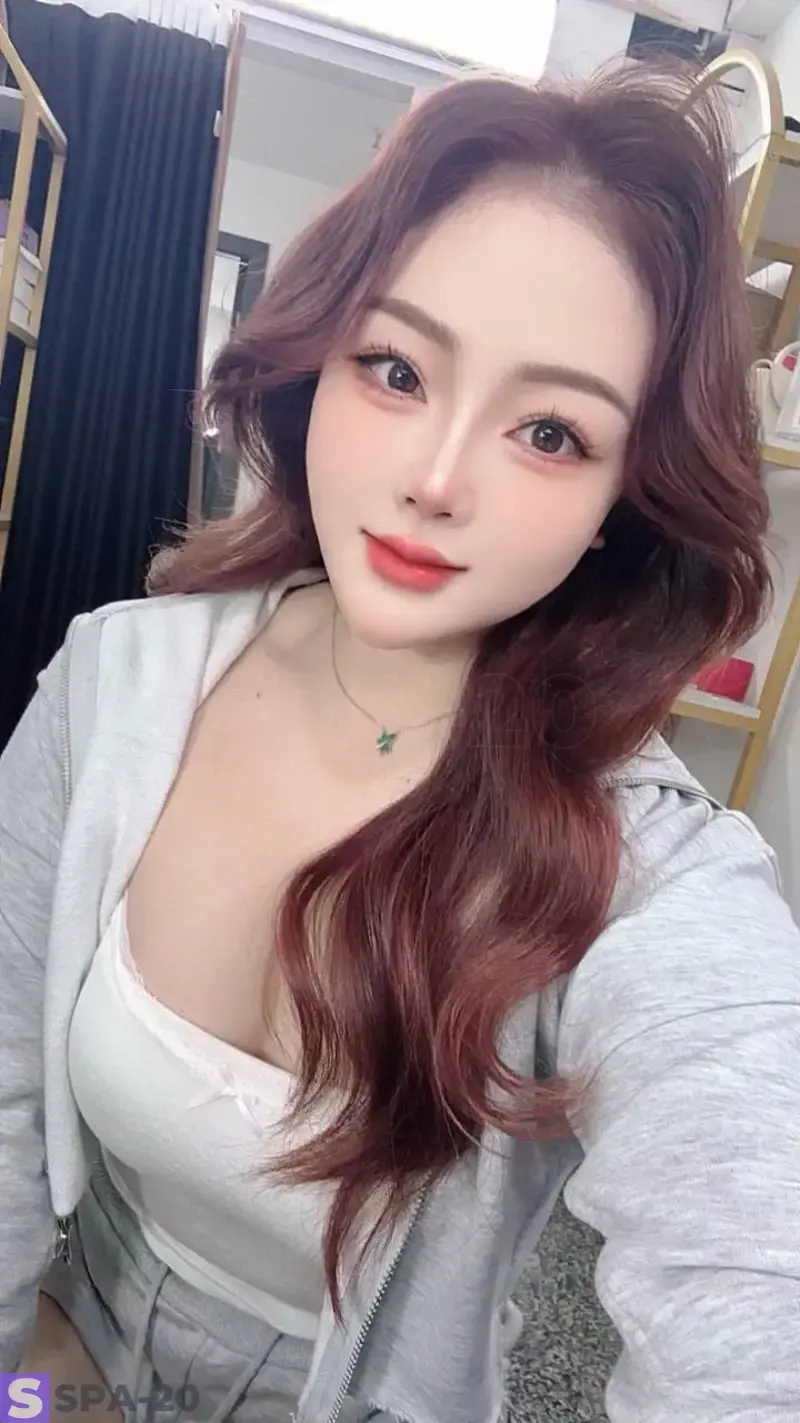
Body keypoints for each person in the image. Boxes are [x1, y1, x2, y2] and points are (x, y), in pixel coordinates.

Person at [1, 62, 798, 1423]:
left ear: (626, 495)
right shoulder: (116, 683)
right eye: (396, 367)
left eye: (550, 431)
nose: (436, 478)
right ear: (317, 362)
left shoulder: (648, 874)